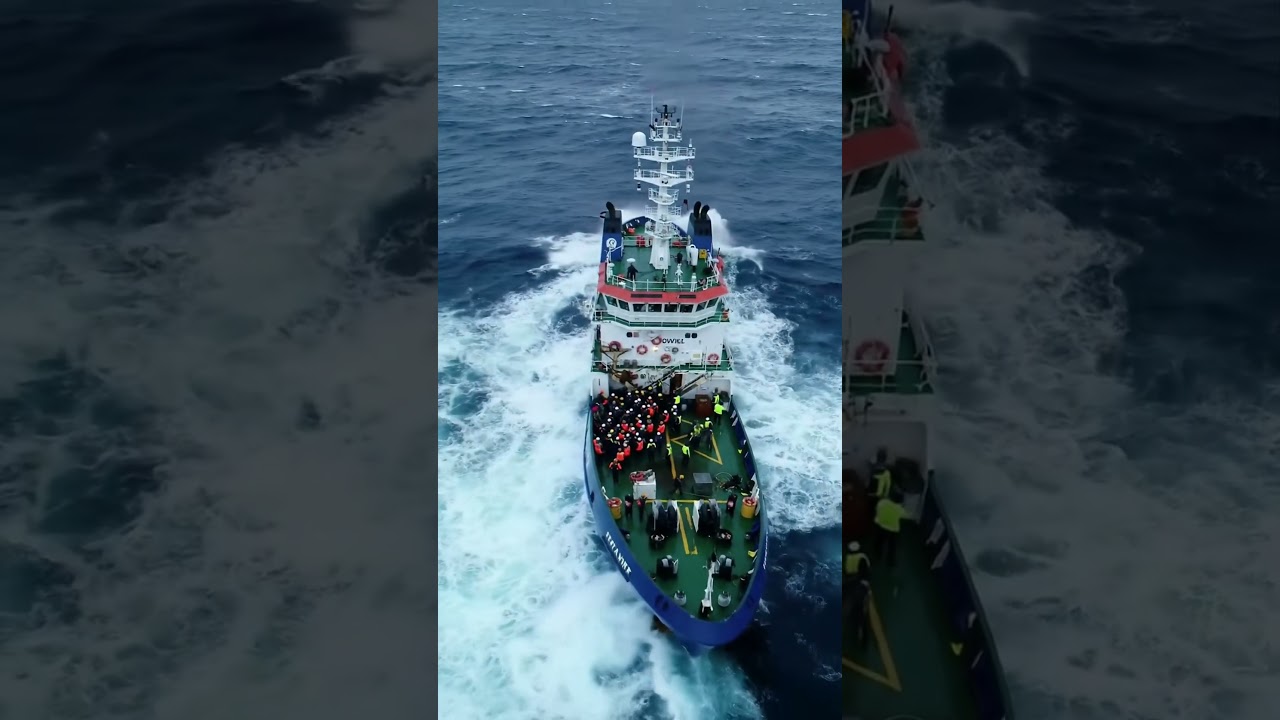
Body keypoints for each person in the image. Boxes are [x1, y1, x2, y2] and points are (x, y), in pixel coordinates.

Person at [873, 489, 908, 567]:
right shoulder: (900, 509)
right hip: (893, 530)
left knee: (879, 541)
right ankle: (890, 561)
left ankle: (877, 555)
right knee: (892, 546)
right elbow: (905, 516)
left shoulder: (882, 503)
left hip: (881, 526)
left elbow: (877, 509)